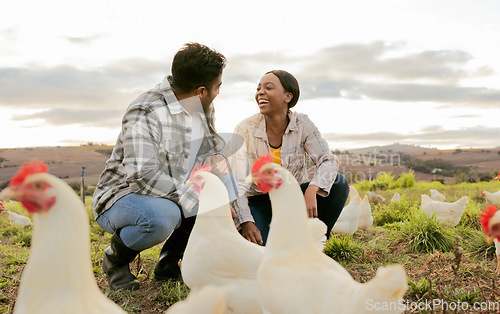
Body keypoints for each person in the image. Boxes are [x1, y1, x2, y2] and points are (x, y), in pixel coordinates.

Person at [92, 43, 232, 290]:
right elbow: (142, 177)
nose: (218, 91)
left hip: (171, 189)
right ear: (201, 90)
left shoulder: (203, 108)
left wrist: (216, 164)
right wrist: (201, 198)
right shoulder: (145, 110)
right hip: (122, 195)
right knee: (162, 216)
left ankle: (170, 262)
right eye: (218, 86)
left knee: (221, 180)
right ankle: (115, 259)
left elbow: (211, 149)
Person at [231, 70, 350, 245]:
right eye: (258, 89)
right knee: (261, 249)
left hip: (292, 195)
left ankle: (313, 240)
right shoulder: (244, 129)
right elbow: (237, 181)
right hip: (257, 202)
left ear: (288, 96)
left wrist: (312, 189)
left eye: (268, 87)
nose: (260, 92)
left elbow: (328, 160)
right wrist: (246, 221)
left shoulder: (302, 124)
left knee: (338, 183)